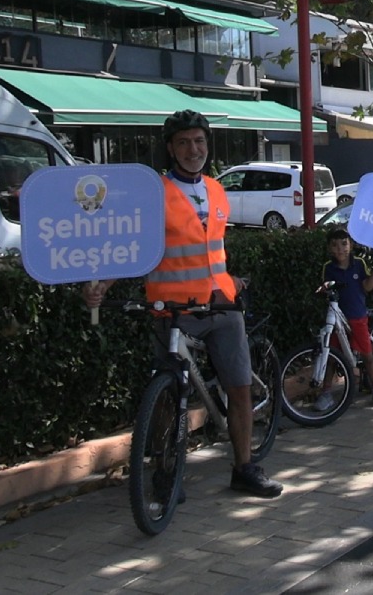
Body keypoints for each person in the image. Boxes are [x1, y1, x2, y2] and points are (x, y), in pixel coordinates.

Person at [83, 109, 282, 499]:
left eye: (199, 141)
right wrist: (101, 286)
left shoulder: (217, 188)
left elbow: (212, 247)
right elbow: (129, 246)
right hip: (173, 310)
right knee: (169, 392)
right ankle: (166, 472)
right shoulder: (153, 191)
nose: (194, 149)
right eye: (184, 142)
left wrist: (230, 282)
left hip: (221, 305)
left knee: (238, 388)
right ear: (171, 149)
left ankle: (244, 468)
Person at [322, 229, 373, 408]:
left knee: (367, 356)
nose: (340, 249)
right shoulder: (328, 268)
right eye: (335, 245)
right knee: (332, 356)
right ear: (330, 249)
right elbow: (325, 288)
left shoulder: (359, 264)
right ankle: (325, 393)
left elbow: (368, 286)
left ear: (351, 245)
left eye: (344, 244)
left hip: (357, 315)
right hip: (338, 317)